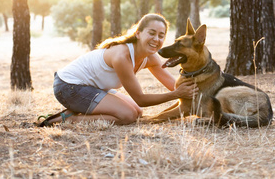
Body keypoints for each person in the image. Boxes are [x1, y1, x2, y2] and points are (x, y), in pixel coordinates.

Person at [37, 13, 198, 126]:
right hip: (67, 87)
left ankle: (79, 110)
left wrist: (203, 94)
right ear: (138, 33)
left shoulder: (151, 58)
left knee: (137, 112)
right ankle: (69, 120)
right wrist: (175, 95)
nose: (156, 39)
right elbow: (141, 98)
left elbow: (174, 86)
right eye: (152, 33)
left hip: (92, 89)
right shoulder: (122, 56)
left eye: (161, 35)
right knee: (127, 116)